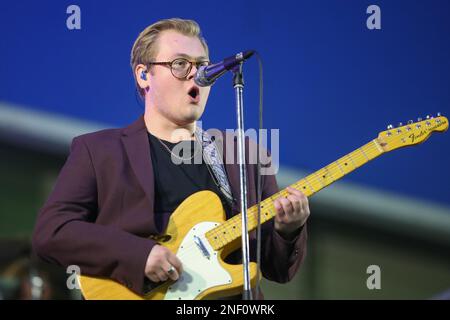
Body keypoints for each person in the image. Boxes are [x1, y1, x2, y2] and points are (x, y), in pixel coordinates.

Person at [32, 18, 309, 299]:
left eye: (203, 66)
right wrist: (140, 255)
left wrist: (289, 230)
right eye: (180, 64)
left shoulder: (245, 156)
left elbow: (278, 269)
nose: (197, 76)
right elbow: (52, 231)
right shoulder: (100, 151)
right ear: (143, 75)